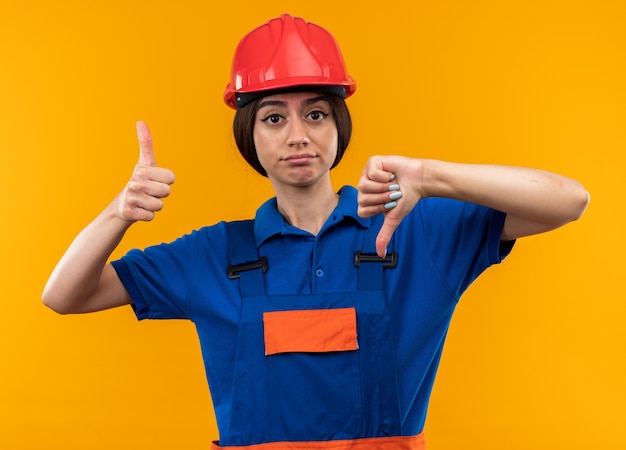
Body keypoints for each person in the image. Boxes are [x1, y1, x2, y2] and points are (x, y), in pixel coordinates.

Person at [42, 13, 589, 450]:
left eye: (317, 114)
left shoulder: (408, 228)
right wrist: (119, 212)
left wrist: (432, 176)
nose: (297, 135)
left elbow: (569, 200)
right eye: (274, 117)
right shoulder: (216, 253)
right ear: (249, 137)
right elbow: (64, 296)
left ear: (338, 127)